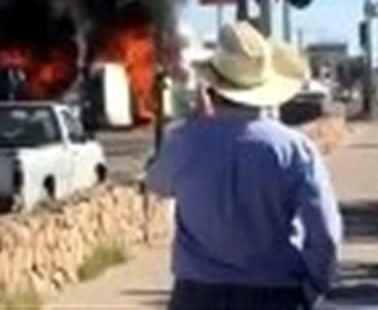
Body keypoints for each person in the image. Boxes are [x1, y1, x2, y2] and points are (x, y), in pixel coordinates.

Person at [146, 21, 343, 310]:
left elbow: (156, 183)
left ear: (214, 87)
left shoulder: (184, 141)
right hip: (275, 293)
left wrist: (193, 123)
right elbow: (324, 231)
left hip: (197, 294)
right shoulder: (293, 148)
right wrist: (314, 286)